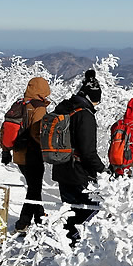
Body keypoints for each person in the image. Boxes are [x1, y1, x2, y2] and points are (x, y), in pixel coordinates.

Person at [51, 69, 106, 243]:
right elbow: (88, 152)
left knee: (69, 212)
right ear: (91, 98)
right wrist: (103, 171)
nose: (97, 104)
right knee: (89, 212)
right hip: (79, 173)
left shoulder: (65, 108)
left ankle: (67, 245)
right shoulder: (85, 116)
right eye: (97, 100)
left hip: (61, 167)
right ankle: (79, 249)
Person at [0, 77, 51, 232]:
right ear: (43, 90)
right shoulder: (38, 107)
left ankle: (40, 217)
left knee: (33, 187)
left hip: (18, 154)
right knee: (34, 189)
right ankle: (23, 223)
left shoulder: (19, 104)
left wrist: (5, 151)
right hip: (32, 154)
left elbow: (5, 129)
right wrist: (47, 148)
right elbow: (37, 132)